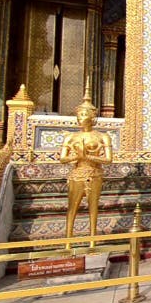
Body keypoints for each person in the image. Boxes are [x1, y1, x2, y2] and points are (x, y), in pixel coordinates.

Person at [59, 85, 113, 249]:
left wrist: (87, 156)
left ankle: (92, 242)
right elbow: (63, 158)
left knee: (93, 209)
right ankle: (68, 243)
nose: (81, 117)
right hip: (77, 174)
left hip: (95, 174)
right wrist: (78, 156)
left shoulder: (102, 136)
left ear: (93, 116)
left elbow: (108, 159)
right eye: (79, 114)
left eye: (84, 114)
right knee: (72, 209)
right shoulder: (71, 137)